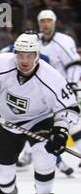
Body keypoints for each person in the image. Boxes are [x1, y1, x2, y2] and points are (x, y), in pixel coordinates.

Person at [0, 33, 79, 194]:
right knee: (3, 172)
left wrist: (60, 131)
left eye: (29, 55)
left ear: (37, 55)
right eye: (20, 55)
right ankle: (8, 191)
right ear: (15, 54)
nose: (24, 60)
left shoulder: (51, 77)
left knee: (45, 158)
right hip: (7, 122)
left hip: (40, 120)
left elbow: (69, 108)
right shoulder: (0, 64)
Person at [0, 32, 73, 177]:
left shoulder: (43, 58)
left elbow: (52, 81)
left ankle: (59, 163)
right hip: (3, 104)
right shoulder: (5, 54)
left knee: (47, 139)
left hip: (32, 106)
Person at [17, 10, 81, 169]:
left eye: (49, 21)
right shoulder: (35, 40)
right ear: (39, 23)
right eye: (43, 21)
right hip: (39, 90)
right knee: (33, 122)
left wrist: (72, 83)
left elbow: (74, 63)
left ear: (54, 22)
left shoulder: (65, 41)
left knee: (71, 123)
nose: (46, 24)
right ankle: (28, 154)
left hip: (61, 89)